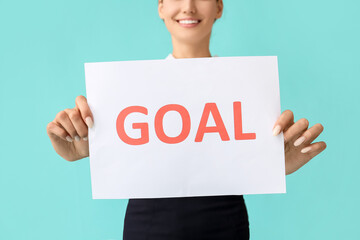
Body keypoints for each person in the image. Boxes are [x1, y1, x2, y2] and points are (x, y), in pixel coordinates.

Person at [46, 0, 327, 239]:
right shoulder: (127, 93)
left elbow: (247, 161)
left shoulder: (246, 90)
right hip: (147, 228)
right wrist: (87, 144)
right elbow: (112, 152)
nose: (189, 6)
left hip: (226, 226)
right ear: (160, 6)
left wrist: (270, 162)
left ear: (219, 7)